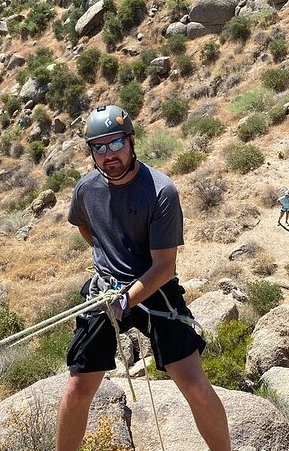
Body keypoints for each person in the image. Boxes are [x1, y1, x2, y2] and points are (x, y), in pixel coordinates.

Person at [55, 105, 231, 451]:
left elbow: (164, 266)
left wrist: (128, 298)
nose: (109, 155)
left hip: (155, 288)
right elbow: (84, 226)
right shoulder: (87, 189)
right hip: (106, 292)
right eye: (99, 148)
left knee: (194, 384)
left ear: (131, 141)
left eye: (115, 144)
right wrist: (108, 264)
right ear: (91, 152)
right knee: (77, 388)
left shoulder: (161, 190)